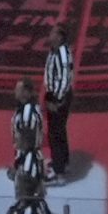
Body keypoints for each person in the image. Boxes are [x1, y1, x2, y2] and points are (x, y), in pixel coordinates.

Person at [40, 32, 75, 180]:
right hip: (53, 93)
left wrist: (57, 100)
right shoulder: (54, 51)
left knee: (55, 133)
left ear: (60, 37)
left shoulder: (63, 54)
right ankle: (62, 161)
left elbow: (64, 78)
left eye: (53, 33)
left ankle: (58, 171)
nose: (50, 35)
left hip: (58, 96)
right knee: (58, 130)